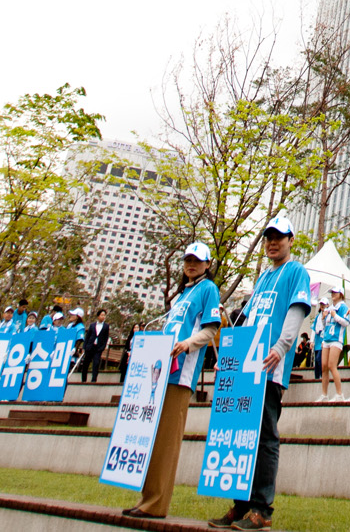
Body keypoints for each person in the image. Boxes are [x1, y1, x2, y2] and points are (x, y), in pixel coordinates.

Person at [207, 216, 310, 531]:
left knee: (265, 438)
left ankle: (261, 510)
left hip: (269, 367)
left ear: (291, 239)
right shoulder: (264, 276)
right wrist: (230, 357)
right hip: (246, 370)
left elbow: (296, 312)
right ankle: (239, 507)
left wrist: (281, 347)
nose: (273, 242)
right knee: (242, 437)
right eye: (269, 237)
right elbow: (246, 322)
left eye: (279, 237)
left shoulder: (296, 271)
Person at [127, 240, 220, 521]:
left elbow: (210, 329)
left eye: (197, 260)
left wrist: (188, 344)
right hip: (160, 370)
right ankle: (147, 498)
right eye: (187, 260)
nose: (191, 264)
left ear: (207, 264)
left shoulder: (208, 289)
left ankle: (156, 503)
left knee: (167, 440)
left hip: (182, 373)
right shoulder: (182, 294)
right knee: (153, 439)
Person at [81, 308, 112, 383]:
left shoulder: (106, 326)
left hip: (98, 348)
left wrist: (102, 347)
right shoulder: (92, 325)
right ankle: (83, 379)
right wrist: (84, 347)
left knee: (96, 363)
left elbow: (106, 337)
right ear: (98, 316)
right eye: (101, 315)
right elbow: (87, 336)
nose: (103, 317)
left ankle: (94, 379)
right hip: (90, 346)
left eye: (104, 315)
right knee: (86, 363)